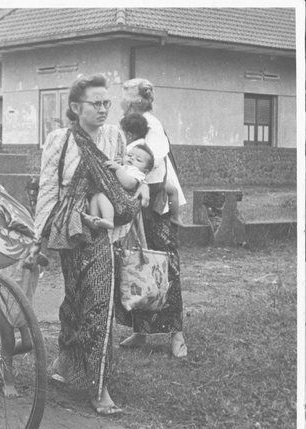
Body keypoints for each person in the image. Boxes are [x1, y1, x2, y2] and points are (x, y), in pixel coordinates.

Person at [29, 74, 145, 416]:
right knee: (76, 300)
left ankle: (99, 387)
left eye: (107, 103)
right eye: (96, 103)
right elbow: (49, 189)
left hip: (103, 234)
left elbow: (123, 183)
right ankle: (67, 359)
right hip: (72, 231)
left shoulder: (114, 136)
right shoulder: (58, 140)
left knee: (98, 303)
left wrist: (123, 227)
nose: (103, 109)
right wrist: (37, 240)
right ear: (75, 107)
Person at [116, 78, 187, 358]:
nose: (122, 98)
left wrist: (130, 168)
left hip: (157, 202)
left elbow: (151, 157)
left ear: (140, 99)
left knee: (166, 265)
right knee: (138, 263)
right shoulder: (129, 122)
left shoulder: (150, 124)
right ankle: (141, 330)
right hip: (138, 201)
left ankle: (176, 333)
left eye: (126, 93)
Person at [120, 112, 184, 226]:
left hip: (146, 183)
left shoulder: (132, 148)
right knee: (173, 190)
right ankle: (175, 217)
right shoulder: (146, 145)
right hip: (159, 182)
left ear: (129, 134)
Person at [85, 142, 155, 231]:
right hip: (114, 204)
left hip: (125, 206)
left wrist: (118, 169)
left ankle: (108, 220)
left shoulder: (136, 172)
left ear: (145, 172)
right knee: (97, 196)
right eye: (129, 155)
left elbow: (129, 184)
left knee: (102, 196)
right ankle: (94, 220)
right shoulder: (124, 167)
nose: (132, 158)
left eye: (138, 160)